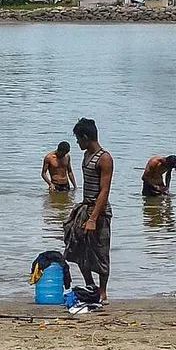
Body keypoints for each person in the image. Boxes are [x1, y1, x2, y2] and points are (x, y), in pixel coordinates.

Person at [63, 118, 113, 302]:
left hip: (99, 211)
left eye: (78, 139)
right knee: (78, 248)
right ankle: (90, 285)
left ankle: (102, 292)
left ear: (85, 137)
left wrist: (93, 218)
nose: (77, 143)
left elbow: (104, 190)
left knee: (101, 251)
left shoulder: (104, 158)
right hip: (85, 207)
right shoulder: (86, 156)